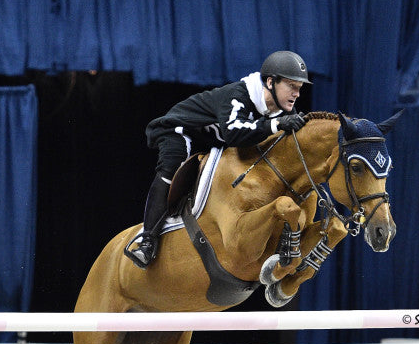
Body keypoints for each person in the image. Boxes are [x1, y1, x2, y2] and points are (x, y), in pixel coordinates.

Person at [124, 50, 311, 268]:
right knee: (173, 163)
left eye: (299, 88)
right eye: (291, 86)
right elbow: (234, 133)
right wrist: (275, 125)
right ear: (270, 82)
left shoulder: (282, 111)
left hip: (210, 141)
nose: (296, 93)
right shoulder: (239, 95)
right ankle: (147, 241)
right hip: (180, 129)